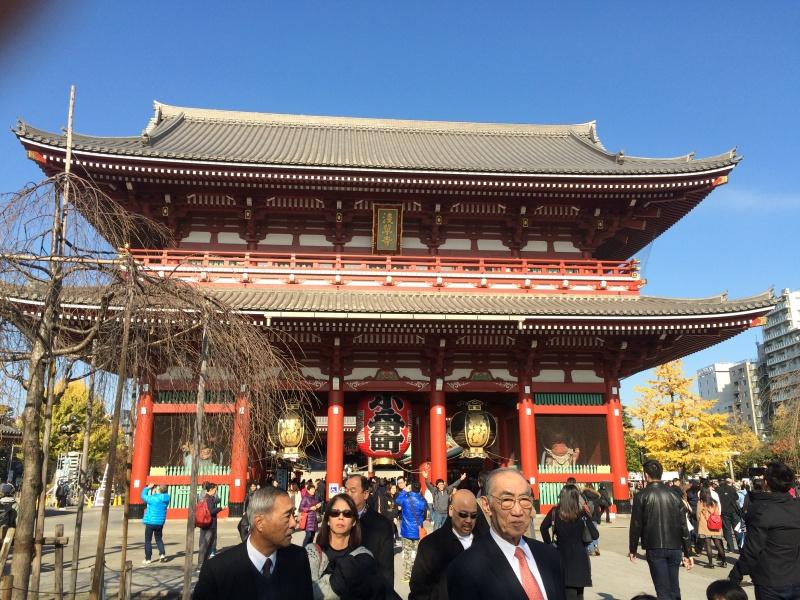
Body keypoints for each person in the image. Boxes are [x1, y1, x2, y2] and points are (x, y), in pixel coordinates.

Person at [447, 467, 565, 600]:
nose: (518, 511)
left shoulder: (550, 556)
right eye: (507, 500)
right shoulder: (466, 568)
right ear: (486, 505)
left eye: (524, 500)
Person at [192, 486, 313, 599]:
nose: (293, 523)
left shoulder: (298, 558)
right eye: (287, 516)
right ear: (260, 523)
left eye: (293, 514)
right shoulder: (217, 571)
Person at [729, 461, 800, 598]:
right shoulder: (795, 507)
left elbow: (752, 549)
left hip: (770, 581)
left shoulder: (762, 510)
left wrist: (736, 575)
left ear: (766, 482)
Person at [629, 459, 693, 600]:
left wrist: (633, 549)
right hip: (675, 545)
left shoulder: (641, 496)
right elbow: (683, 524)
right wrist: (688, 551)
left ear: (646, 475)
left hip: (654, 545)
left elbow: (636, 525)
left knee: (662, 590)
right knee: (674, 588)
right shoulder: (675, 495)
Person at [306, 493, 386, 600]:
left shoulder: (363, 556)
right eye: (335, 513)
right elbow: (305, 591)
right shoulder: (312, 552)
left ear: (354, 521)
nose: (341, 517)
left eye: (347, 514)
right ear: (328, 520)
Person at [409, 489, 478, 600]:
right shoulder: (430, 545)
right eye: (463, 514)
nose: (469, 520)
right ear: (451, 510)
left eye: (473, 515)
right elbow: (419, 590)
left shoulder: (484, 542)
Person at [540, 484, 598, 600]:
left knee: (568, 594)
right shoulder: (582, 513)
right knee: (579, 594)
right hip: (580, 557)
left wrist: (549, 544)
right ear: (576, 497)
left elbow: (543, 528)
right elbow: (595, 535)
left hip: (562, 555)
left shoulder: (555, 512)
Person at [344, 474, 395, 597]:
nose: (347, 494)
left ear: (365, 494)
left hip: (370, 591)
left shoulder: (382, 524)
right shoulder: (336, 519)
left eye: (352, 491)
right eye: (346, 490)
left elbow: (386, 568)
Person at [396, 479, 428, 583]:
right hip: (418, 531)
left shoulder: (405, 498)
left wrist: (405, 490)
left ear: (411, 488)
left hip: (406, 531)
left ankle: (407, 576)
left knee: (407, 554)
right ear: (420, 489)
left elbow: (397, 500)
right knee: (418, 554)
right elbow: (424, 516)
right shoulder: (422, 501)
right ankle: (417, 574)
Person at [695, 487, 725, 568]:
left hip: (705, 525)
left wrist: (700, 521)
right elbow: (718, 513)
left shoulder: (701, 502)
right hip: (715, 524)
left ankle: (710, 563)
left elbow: (697, 514)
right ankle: (724, 562)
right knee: (718, 544)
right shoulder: (714, 502)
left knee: (707, 544)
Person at [141, 483, 170, 565]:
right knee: (158, 539)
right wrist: (155, 492)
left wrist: (148, 488)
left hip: (150, 522)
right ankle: (162, 554)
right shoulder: (166, 498)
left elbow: (143, 496)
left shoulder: (153, 498)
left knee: (148, 540)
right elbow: (158, 497)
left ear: (159, 490)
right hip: (160, 522)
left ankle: (148, 558)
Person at [197, 482, 222, 570]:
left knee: (205, 544)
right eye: (215, 489)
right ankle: (201, 565)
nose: (216, 491)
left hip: (204, 523)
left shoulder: (203, 497)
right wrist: (220, 509)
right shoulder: (209, 499)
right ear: (211, 489)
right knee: (206, 545)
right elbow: (211, 511)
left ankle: (203, 564)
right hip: (210, 525)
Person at [716, 477, 741, 553]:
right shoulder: (731, 489)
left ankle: (731, 548)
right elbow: (737, 497)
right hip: (733, 511)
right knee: (737, 529)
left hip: (724, 512)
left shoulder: (717, 490)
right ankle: (740, 547)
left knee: (727, 530)